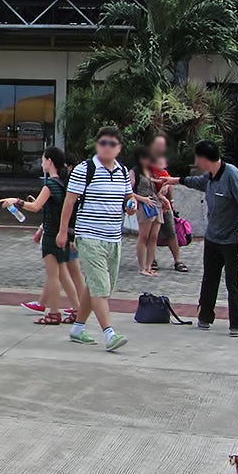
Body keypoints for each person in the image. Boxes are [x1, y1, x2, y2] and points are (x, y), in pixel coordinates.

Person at [56, 126, 135, 352]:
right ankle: (109, 333)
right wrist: (63, 231)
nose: (107, 148)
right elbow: (69, 201)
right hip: (89, 236)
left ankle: (78, 328)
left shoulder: (121, 171)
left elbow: (128, 197)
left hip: (113, 238)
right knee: (100, 286)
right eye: (103, 143)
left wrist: (131, 205)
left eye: (112, 144)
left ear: (119, 148)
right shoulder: (85, 169)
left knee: (96, 286)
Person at [0, 146, 84, 326]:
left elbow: (36, 207)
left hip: (52, 233)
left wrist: (16, 201)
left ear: (50, 161)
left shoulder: (50, 184)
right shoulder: (64, 183)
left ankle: (54, 313)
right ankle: (77, 310)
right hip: (64, 232)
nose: (42, 163)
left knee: (54, 275)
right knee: (63, 274)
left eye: (44, 159)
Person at [176, 140, 238, 336]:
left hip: (232, 240)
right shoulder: (210, 176)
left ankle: (237, 323)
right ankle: (205, 316)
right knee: (209, 278)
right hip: (213, 238)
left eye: (197, 158)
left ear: (204, 158)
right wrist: (175, 181)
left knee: (233, 282)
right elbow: (199, 183)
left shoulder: (232, 175)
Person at [147, 132, 189, 272]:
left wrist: (170, 201)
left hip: (165, 205)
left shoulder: (162, 170)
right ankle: (151, 260)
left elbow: (168, 183)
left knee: (171, 232)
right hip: (151, 204)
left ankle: (178, 261)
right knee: (152, 234)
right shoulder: (146, 167)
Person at [131, 147, 164, 277]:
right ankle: (142, 266)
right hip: (145, 204)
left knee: (154, 237)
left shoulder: (151, 171)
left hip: (156, 203)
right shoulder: (134, 172)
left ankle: (150, 265)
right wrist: (142, 199)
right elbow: (128, 190)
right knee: (144, 236)